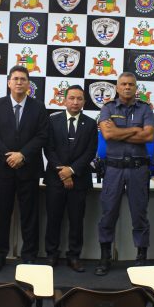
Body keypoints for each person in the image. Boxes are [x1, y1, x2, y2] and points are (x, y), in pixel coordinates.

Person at [0, 65, 49, 272]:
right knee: (3, 214)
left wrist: (22, 155)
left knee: (29, 215)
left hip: (28, 168)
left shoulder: (38, 107)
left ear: (28, 83)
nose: (19, 82)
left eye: (23, 79)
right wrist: (9, 156)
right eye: (15, 79)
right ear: (8, 82)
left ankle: (29, 255)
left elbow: (42, 135)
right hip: (3, 169)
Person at [96, 72, 154, 276]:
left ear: (136, 88)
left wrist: (119, 132)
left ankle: (141, 257)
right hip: (113, 169)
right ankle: (105, 257)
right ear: (117, 87)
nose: (127, 87)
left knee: (139, 214)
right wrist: (134, 130)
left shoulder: (145, 108)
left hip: (138, 169)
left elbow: (148, 136)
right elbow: (108, 134)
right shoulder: (108, 108)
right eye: (123, 84)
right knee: (108, 213)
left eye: (131, 84)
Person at [43, 85, 98, 272]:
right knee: (53, 219)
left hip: (79, 180)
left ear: (84, 101)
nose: (75, 102)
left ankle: (74, 256)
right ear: (64, 100)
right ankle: (52, 254)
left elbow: (90, 152)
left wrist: (72, 170)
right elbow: (48, 149)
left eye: (79, 99)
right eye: (72, 98)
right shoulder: (52, 121)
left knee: (76, 221)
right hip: (55, 179)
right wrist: (63, 172)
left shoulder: (90, 123)